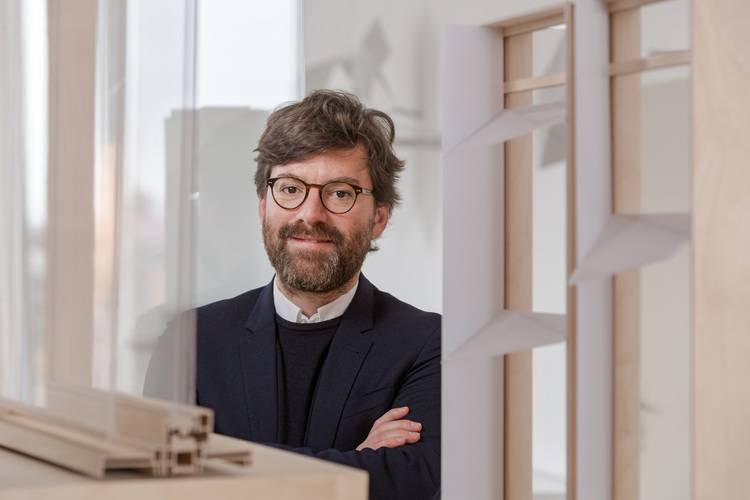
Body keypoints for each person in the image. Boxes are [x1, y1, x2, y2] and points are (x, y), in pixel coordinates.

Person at [147, 90, 440, 500]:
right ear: (263, 206)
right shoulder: (191, 339)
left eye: (340, 193)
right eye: (289, 189)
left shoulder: (428, 343)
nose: (310, 214)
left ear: (379, 218)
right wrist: (356, 461)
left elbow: (412, 480)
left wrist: (219, 462)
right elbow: (161, 479)